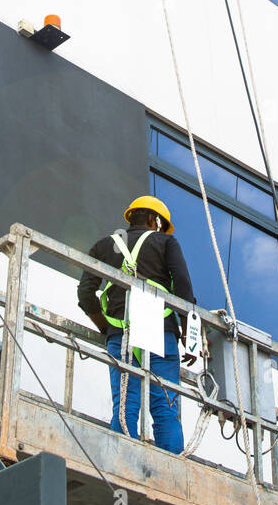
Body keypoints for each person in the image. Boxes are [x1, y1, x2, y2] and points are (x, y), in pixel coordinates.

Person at [77, 195, 196, 454]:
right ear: (155, 220)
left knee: (124, 405)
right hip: (160, 330)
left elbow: (85, 296)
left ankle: (122, 461)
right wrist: (188, 332)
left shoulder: (104, 246)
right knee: (165, 407)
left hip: (120, 332)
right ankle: (171, 470)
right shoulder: (166, 242)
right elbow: (184, 288)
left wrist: (107, 328)